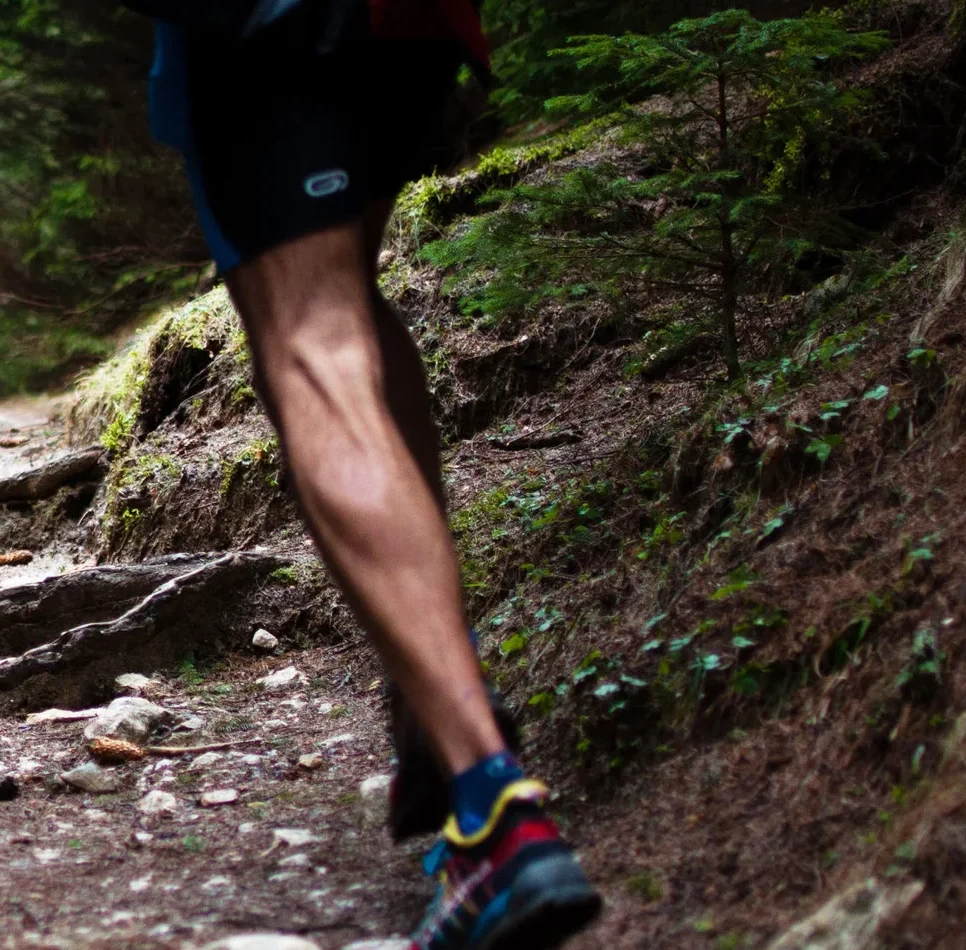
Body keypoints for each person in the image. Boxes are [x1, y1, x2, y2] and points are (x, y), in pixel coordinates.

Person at [141, 1, 603, 947]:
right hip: (411, 20)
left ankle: (491, 808)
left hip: (271, 25)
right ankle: (430, 703)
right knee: (347, 304)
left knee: (312, 346)